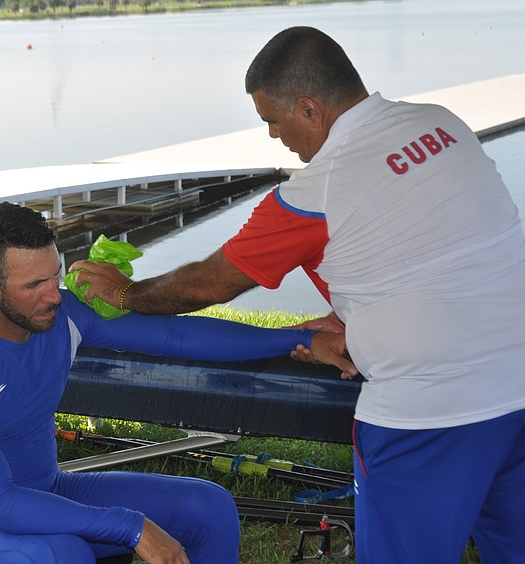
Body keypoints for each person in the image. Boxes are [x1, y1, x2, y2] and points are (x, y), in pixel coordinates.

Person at [69, 26, 525, 563]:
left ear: (308, 108)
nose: (272, 136)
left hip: (427, 412)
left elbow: (210, 282)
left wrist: (126, 292)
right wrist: (357, 308)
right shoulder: (440, 124)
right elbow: (447, 244)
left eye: (272, 120)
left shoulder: (316, 190)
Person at [0, 201, 355, 564]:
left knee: (210, 508)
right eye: (34, 285)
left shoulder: (63, 313)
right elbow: (0, 503)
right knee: (62, 552)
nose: (54, 294)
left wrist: (301, 338)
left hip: (50, 490)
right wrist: (132, 526)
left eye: (55, 274)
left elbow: (177, 336)